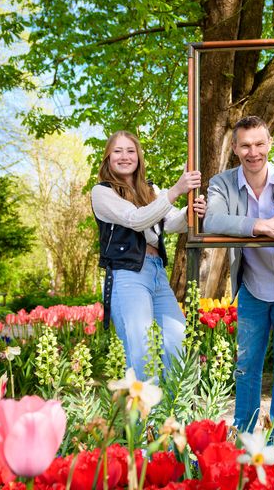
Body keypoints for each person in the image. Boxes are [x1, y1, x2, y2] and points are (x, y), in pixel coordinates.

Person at [203, 116, 274, 439]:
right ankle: (245, 436)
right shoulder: (221, 183)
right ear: (235, 148)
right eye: (245, 145)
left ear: (269, 143)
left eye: (260, 144)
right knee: (246, 365)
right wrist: (261, 226)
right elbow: (212, 221)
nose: (253, 152)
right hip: (252, 286)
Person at [91, 130, 206, 379]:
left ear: (139, 156)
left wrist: (192, 210)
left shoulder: (150, 190)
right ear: (108, 157)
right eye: (117, 151)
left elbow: (172, 223)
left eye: (130, 151)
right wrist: (175, 190)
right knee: (142, 351)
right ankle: (143, 406)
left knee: (178, 343)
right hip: (127, 274)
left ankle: (175, 404)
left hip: (156, 272)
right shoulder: (102, 192)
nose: (124, 156)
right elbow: (136, 219)